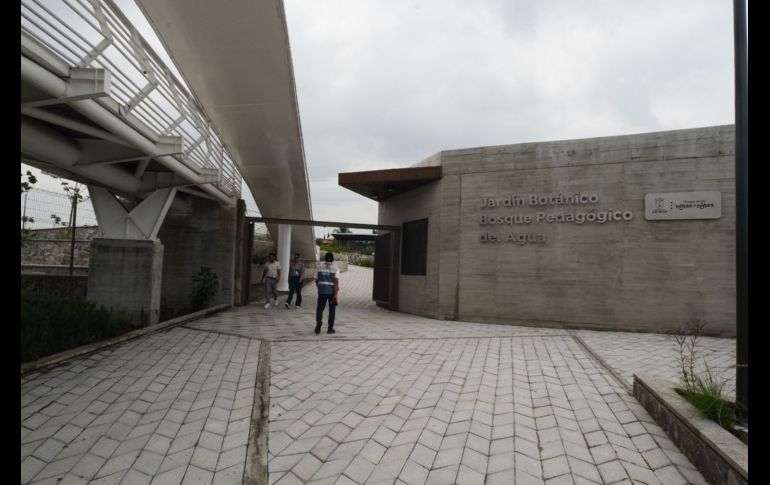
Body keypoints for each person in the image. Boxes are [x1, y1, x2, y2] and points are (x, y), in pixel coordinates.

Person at [315, 251, 339, 334]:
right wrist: (336, 295)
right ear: (332, 259)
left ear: (325, 258)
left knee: (319, 309)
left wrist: (319, 288)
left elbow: (316, 279)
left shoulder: (319, 266)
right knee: (332, 311)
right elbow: (336, 283)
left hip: (322, 291)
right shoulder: (335, 268)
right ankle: (330, 329)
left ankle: (319, 322)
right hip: (331, 292)